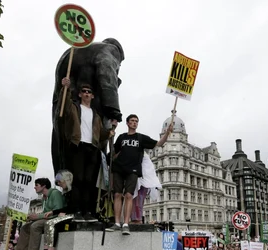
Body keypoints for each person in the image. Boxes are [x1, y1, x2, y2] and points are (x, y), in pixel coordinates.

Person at [58, 77, 117, 222]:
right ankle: (76, 211)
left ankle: (88, 212)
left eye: (89, 92)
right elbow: (64, 104)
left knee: (89, 181)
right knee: (78, 179)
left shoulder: (95, 115)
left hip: (92, 148)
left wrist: (111, 129)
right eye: (83, 91)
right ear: (79, 94)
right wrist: (64, 88)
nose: (86, 93)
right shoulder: (74, 107)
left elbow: (100, 134)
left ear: (92, 96)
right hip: (78, 145)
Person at [106, 114, 172, 235]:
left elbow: (159, 143)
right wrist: (110, 137)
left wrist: (167, 133)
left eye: (136, 121)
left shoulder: (140, 138)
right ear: (127, 123)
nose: (135, 123)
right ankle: (116, 223)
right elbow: (113, 153)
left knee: (129, 195)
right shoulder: (121, 137)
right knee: (117, 194)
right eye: (132, 121)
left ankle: (126, 224)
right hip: (119, 169)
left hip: (133, 170)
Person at [15, 178, 64, 250]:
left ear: (43, 186)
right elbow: (44, 213)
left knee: (35, 226)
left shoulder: (55, 193)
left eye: (36, 185)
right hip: (47, 218)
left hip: (54, 219)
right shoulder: (44, 198)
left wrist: (37, 216)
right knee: (24, 228)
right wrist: (31, 217)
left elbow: (58, 211)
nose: (34, 187)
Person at [43, 170, 75, 250]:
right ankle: (46, 246)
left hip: (73, 214)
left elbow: (72, 207)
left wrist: (57, 212)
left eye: (60, 182)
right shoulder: (67, 192)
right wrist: (54, 212)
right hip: (67, 213)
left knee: (51, 223)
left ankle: (51, 247)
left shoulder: (74, 192)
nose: (59, 184)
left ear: (66, 180)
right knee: (48, 223)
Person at [130, 153, 162, 224]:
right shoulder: (146, 156)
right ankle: (136, 218)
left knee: (138, 202)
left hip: (142, 182)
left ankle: (137, 219)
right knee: (137, 201)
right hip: (142, 181)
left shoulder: (143, 155)